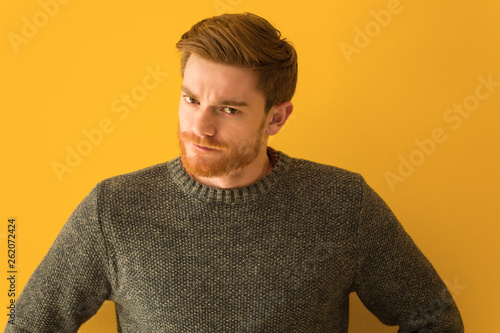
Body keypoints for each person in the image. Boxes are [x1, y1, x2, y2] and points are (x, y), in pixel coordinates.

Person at [5, 12, 463, 332]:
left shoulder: (342, 204)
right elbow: (30, 325)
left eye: (227, 109)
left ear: (276, 119)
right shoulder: (115, 208)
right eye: (190, 99)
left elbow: (434, 318)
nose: (199, 127)